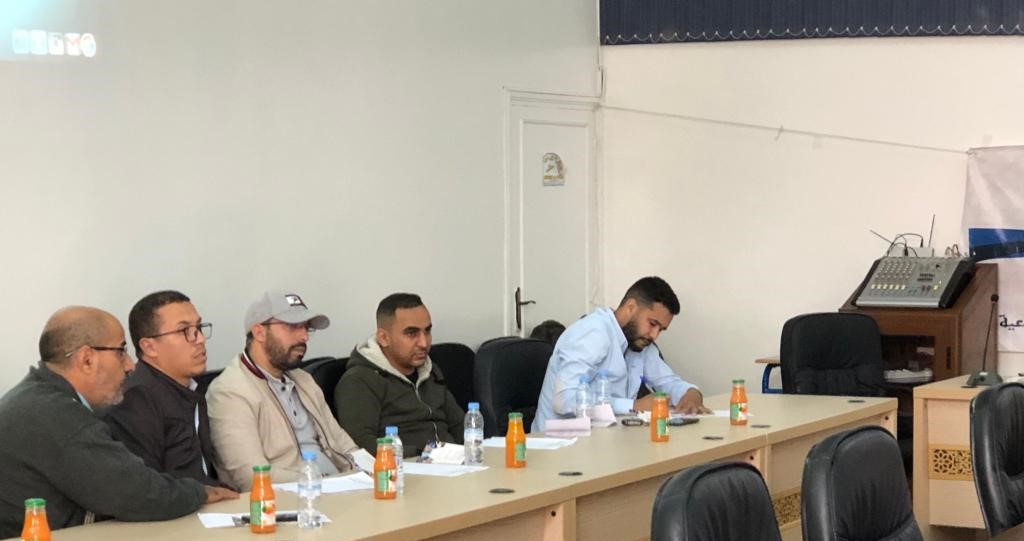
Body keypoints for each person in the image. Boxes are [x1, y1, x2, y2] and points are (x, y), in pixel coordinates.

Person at [0, 306, 236, 538]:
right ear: (87, 359)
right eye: (121, 351)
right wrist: (201, 493)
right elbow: (139, 495)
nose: (130, 365)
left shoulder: (37, 397)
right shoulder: (56, 415)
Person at [207, 290, 360, 490]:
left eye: (306, 327)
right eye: (293, 326)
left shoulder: (304, 380)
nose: (304, 336)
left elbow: (343, 443)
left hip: (341, 488)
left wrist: (374, 469)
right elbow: (251, 477)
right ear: (259, 332)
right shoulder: (230, 392)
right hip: (291, 500)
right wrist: (323, 484)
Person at [532, 276, 709, 432]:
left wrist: (691, 395)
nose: (654, 335)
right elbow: (564, 399)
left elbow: (668, 382)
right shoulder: (592, 332)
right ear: (631, 307)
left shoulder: (639, 343)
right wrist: (634, 406)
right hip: (562, 443)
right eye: (652, 324)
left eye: (661, 329)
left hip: (608, 439)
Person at [103, 290, 229, 488]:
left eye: (198, 327)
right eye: (184, 331)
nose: (200, 339)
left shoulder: (191, 388)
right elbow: (147, 488)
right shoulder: (137, 400)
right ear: (149, 347)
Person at [335, 293, 464, 456]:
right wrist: (424, 454)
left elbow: (461, 425)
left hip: (453, 462)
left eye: (427, 331)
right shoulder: (359, 380)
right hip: (406, 466)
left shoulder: (429, 370)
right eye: (411, 333)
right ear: (383, 338)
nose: (424, 343)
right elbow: (360, 445)